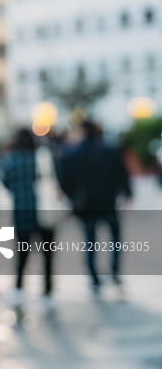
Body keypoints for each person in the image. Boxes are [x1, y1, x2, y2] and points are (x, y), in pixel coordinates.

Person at [57, 120, 132, 295]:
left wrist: (72, 195)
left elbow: (64, 177)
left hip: (86, 204)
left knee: (90, 241)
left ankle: (94, 277)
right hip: (107, 201)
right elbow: (121, 174)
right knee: (114, 239)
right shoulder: (109, 151)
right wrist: (127, 193)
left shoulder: (73, 153)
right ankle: (113, 271)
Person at [0, 128, 54, 306]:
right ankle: (47, 288)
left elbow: (5, 181)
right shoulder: (40, 159)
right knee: (47, 253)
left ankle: (19, 287)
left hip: (22, 210)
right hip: (43, 210)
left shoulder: (12, 160)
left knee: (22, 252)